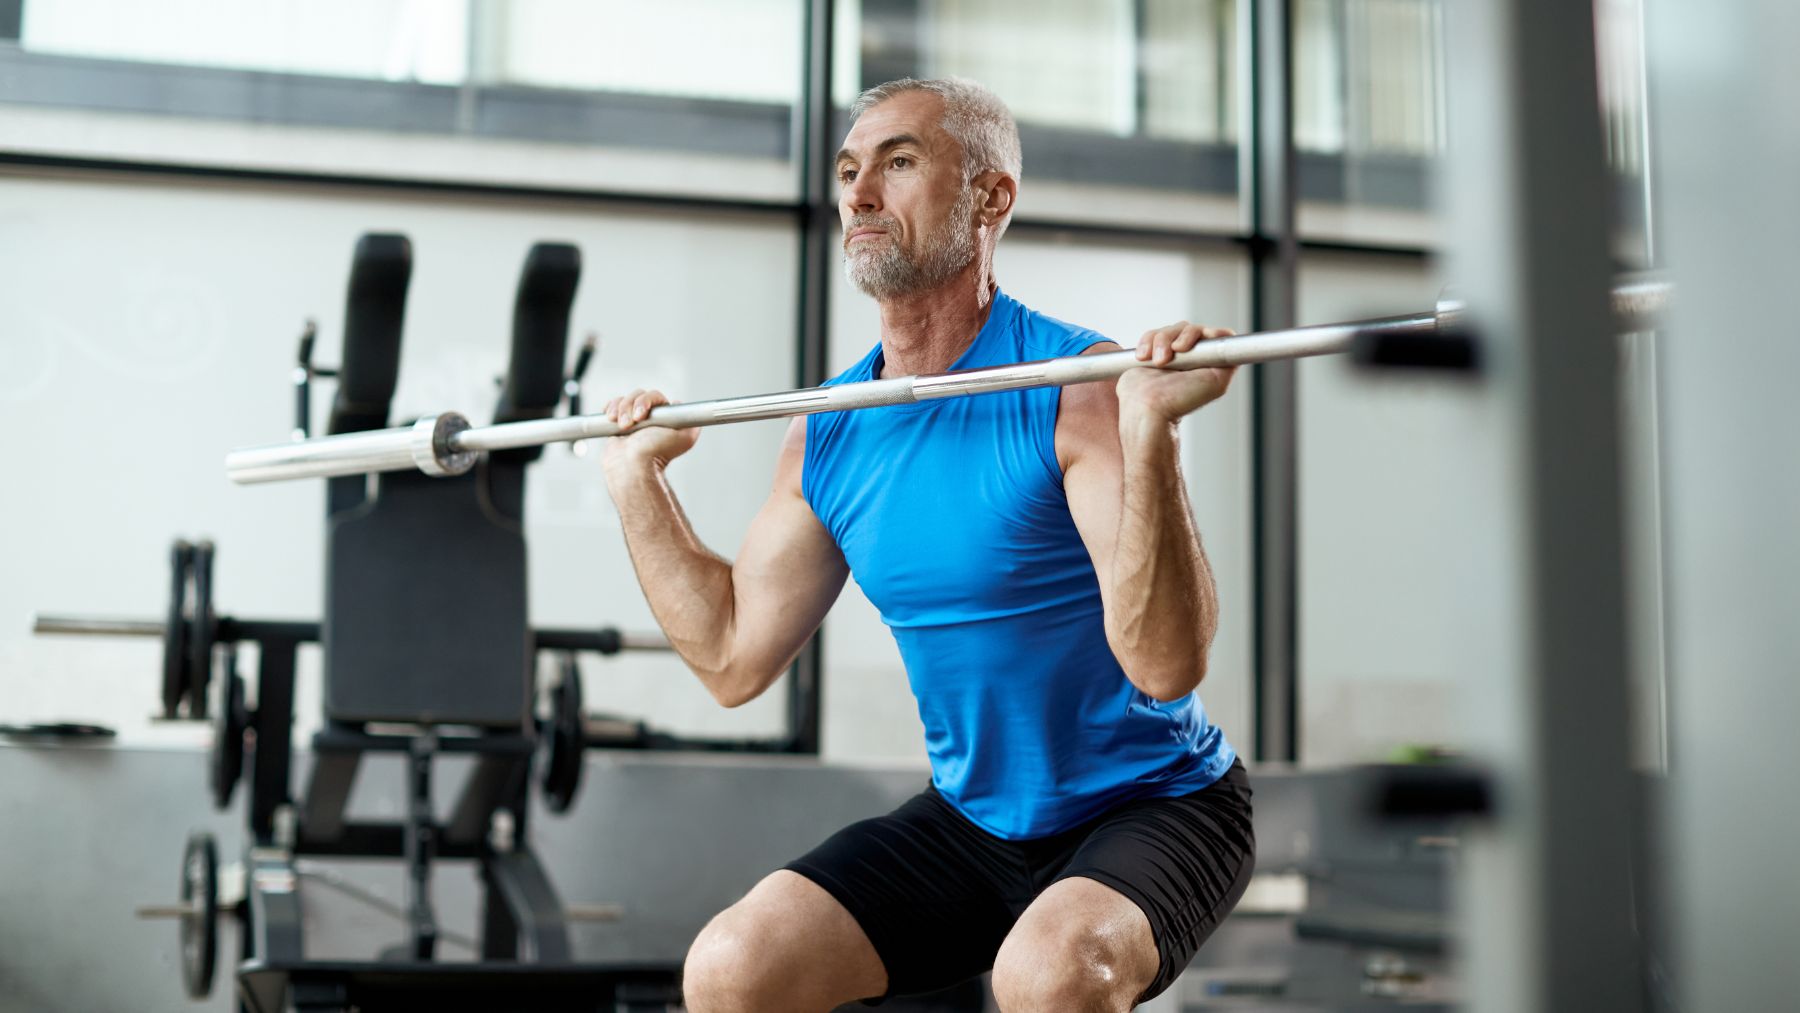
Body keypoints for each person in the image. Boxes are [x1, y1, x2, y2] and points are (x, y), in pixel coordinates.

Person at [601, 77, 1253, 1012]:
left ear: (992, 198)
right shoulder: (830, 431)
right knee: (733, 968)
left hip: (1157, 802)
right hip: (976, 821)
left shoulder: (1078, 388)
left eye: (899, 163)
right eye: (849, 170)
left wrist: (1151, 434)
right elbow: (732, 657)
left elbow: (1165, 665)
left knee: (1047, 975)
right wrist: (637, 483)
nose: (860, 194)